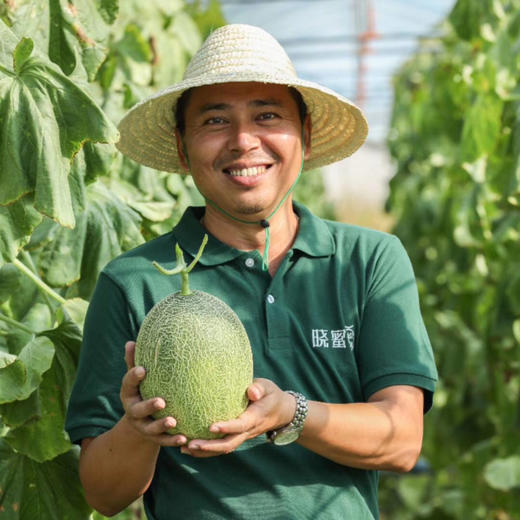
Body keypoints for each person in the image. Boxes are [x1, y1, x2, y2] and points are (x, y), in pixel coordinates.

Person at [66, 24, 437, 520]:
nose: (243, 141)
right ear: (182, 146)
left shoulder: (369, 260)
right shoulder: (132, 281)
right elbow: (103, 494)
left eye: (267, 116)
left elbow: (402, 440)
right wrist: (136, 430)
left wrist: (291, 413)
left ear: (303, 134)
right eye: (215, 120)